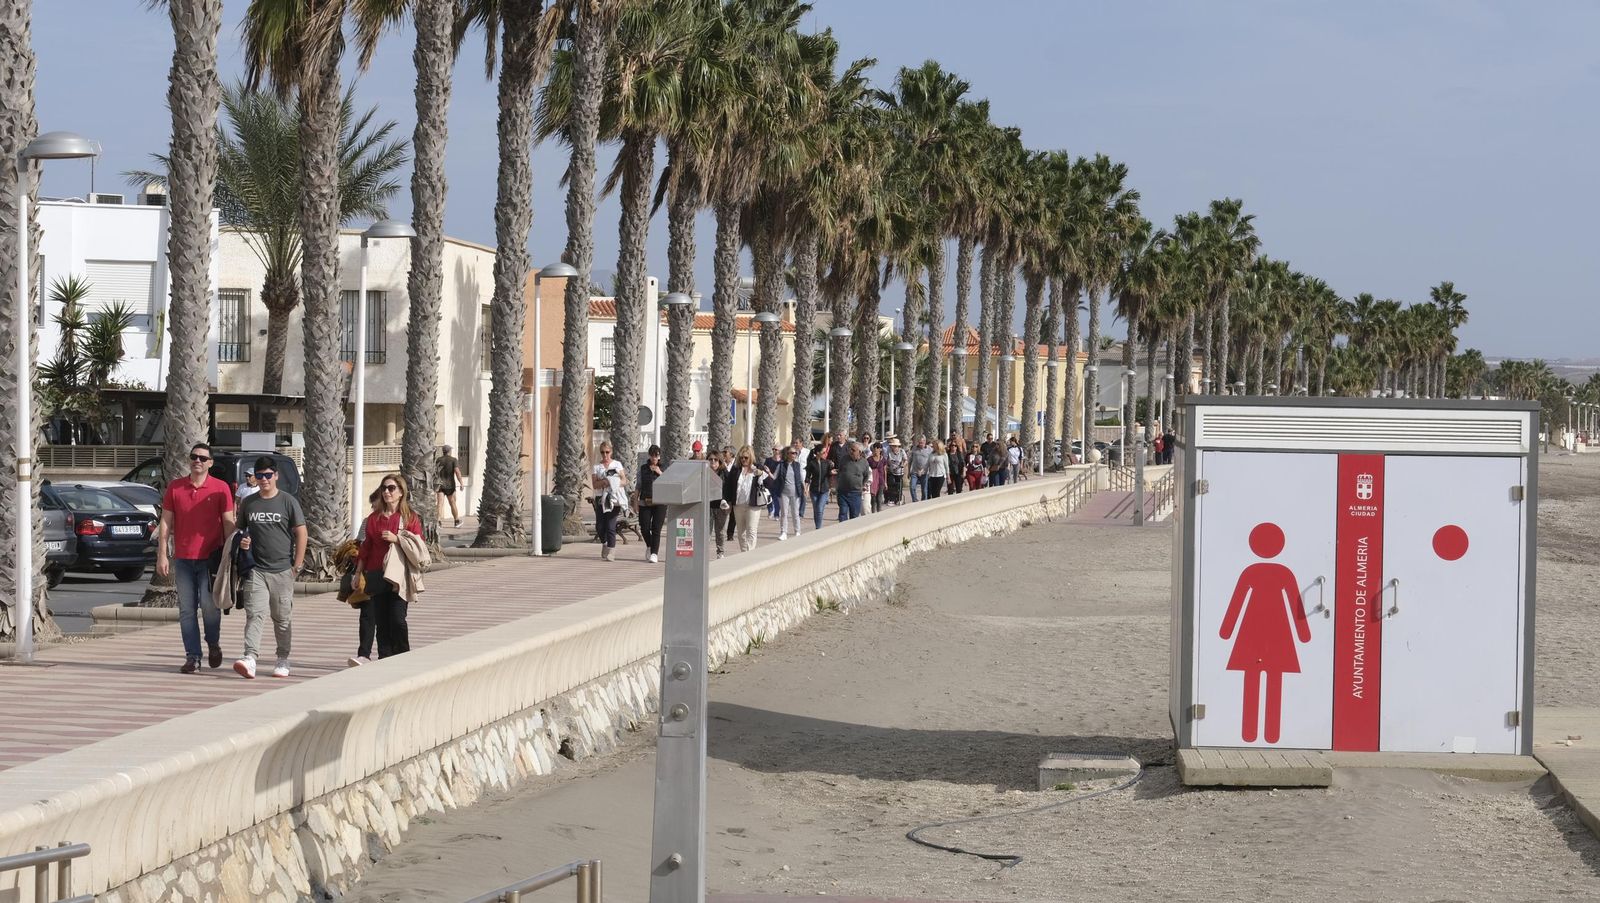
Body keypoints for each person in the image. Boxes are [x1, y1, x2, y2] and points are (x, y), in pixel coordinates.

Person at [158, 442, 236, 674]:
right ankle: (193, 657)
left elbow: (229, 524)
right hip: (183, 559)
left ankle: (213, 643)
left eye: (203, 458)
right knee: (186, 610)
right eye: (194, 457)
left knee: (210, 607)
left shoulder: (221, 488)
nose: (198, 461)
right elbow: (165, 522)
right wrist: (162, 554)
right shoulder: (175, 488)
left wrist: (231, 557)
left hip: (211, 559)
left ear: (210, 463)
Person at [233, 456, 307, 679]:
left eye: (268, 475)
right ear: (254, 477)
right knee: (254, 613)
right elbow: (239, 531)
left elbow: (301, 532)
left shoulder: (288, 501)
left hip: (283, 570)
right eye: (260, 475)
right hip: (256, 569)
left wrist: (297, 565)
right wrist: (242, 541)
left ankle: (283, 658)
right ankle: (250, 657)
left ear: (276, 476)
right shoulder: (249, 503)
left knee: (282, 617)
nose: (264, 479)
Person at [359, 474, 424, 657]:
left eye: (391, 488)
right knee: (381, 622)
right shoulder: (373, 518)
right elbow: (366, 547)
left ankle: (403, 655)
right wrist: (358, 573)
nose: (386, 492)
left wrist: (397, 538)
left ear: (401, 492)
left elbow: (418, 544)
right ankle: (384, 658)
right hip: (376, 573)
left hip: (399, 575)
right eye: (384, 488)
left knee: (397, 619)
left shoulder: (409, 518)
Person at [349, 487, 383, 667]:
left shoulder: (401, 520)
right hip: (370, 575)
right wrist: (357, 572)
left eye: (374, 502)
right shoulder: (367, 522)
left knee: (391, 618)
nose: (373, 506)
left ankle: (389, 653)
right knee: (367, 615)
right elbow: (360, 547)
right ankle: (364, 654)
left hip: (392, 577)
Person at [591, 441, 629, 562]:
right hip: (601, 498)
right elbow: (595, 484)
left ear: (611, 452)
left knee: (610, 525)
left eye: (607, 452)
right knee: (600, 526)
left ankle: (611, 550)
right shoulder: (597, 467)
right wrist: (605, 482)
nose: (605, 455)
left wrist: (613, 482)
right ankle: (605, 543)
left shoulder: (617, 465)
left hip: (613, 497)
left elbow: (624, 481)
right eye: (602, 452)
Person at [729, 445, 771, 552]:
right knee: (741, 532)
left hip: (753, 505)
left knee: (751, 530)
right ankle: (744, 552)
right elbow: (728, 486)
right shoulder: (735, 470)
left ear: (751, 457)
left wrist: (761, 473)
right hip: (738, 505)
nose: (743, 459)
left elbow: (770, 482)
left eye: (746, 458)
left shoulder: (758, 468)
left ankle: (750, 553)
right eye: (742, 457)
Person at [638, 445, 667, 563]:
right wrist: (635, 501)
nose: (655, 458)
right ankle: (649, 546)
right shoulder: (643, 468)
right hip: (646, 500)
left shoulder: (664, 467)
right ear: (649, 455)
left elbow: (669, 482)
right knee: (644, 527)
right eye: (653, 455)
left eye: (657, 455)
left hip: (660, 502)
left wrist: (659, 472)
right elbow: (638, 486)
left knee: (656, 528)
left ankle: (654, 553)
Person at [773, 445, 805, 540]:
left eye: (795, 453)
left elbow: (801, 478)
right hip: (783, 493)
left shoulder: (797, 465)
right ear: (787, 454)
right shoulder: (781, 465)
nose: (794, 454)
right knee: (784, 513)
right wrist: (767, 473)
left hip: (795, 493)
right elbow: (775, 476)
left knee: (795, 513)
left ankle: (797, 531)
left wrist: (805, 488)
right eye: (792, 453)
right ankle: (783, 532)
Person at [834, 442, 869, 521]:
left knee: (854, 516)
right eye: (850, 449)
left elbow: (866, 475)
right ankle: (843, 532)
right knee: (842, 513)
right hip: (843, 492)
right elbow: (840, 471)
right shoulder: (844, 459)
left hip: (855, 493)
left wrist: (861, 484)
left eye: (853, 450)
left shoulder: (864, 462)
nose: (851, 451)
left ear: (859, 452)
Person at [805, 440, 835, 531]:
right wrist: (805, 488)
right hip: (814, 490)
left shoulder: (827, 463)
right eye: (823, 452)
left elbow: (829, 474)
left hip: (824, 490)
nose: (825, 453)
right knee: (816, 509)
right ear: (818, 453)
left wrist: (832, 472)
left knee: (819, 509)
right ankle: (817, 525)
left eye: (825, 452)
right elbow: (808, 477)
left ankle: (819, 528)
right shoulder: (811, 463)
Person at [708, 451, 730, 559]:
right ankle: (704, 552)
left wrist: (726, 501)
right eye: (711, 459)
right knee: (706, 531)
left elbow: (729, 488)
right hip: (708, 506)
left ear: (719, 461)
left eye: (715, 460)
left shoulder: (724, 473)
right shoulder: (704, 472)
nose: (713, 462)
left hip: (721, 506)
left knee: (720, 531)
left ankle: (720, 552)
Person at [436, 445, 465, 528]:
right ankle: (456, 521)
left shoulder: (438, 460)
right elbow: (457, 472)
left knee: (440, 504)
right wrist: (461, 483)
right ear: (449, 451)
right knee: (452, 503)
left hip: (440, 485)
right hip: (450, 485)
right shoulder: (453, 460)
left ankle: (438, 522)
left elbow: (435, 472)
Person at [908, 436, 931, 502]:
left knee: (924, 489)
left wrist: (924, 470)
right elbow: (910, 460)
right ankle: (915, 501)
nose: (921, 444)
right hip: (915, 472)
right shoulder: (914, 449)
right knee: (912, 487)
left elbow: (930, 461)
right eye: (919, 442)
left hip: (924, 472)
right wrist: (909, 471)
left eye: (922, 442)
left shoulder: (929, 449)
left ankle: (924, 502)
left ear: (925, 442)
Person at [868, 444, 888, 513]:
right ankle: (873, 513)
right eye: (875, 448)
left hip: (881, 480)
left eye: (878, 448)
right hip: (872, 481)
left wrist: (885, 482)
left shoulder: (883, 460)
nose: (876, 449)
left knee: (879, 498)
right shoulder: (869, 459)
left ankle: (879, 513)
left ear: (881, 449)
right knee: (873, 499)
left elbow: (885, 471)